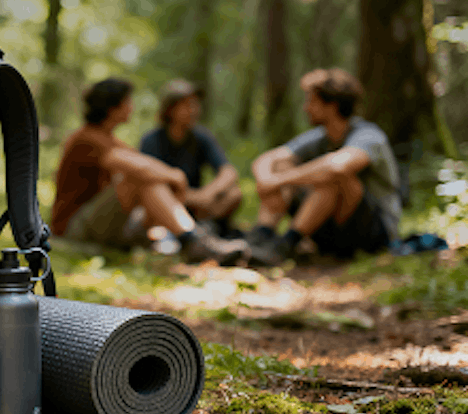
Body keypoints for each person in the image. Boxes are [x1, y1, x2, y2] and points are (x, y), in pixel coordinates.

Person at [50, 77, 249, 266]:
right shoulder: (86, 139)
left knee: (230, 194)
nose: (132, 107)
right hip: (74, 228)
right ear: (112, 107)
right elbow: (139, 167)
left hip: (107, 224)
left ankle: (192, 238)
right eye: (128, 102)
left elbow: (226, 170)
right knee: (139, 178)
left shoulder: (112, 141)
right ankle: (191, 239)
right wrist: (175, 176)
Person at [245, 67, 402, 266]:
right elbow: (266, 160)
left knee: (332, 176)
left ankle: (286, 244)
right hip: (334, 231)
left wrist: (278, 181)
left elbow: (338, 167)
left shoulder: (369, 135)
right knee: (282, 165)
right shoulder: (321, 136)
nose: (305, 108)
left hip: (373, 233)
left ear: (332, 105)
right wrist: (267, 180)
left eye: (311, 101)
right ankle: (261, 236)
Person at [140, 79, 243, 238]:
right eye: (187, 105)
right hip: (166, 202)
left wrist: (208, 193)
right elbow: (146, 182)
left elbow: (228, 171)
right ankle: (181, 234)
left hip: (198, 203)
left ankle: (208, 230)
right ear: (170, 110)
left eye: (196, 105)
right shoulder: (151, 141)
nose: (194, 110)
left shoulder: (201, 137)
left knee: (234, 194)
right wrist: (187, 195)